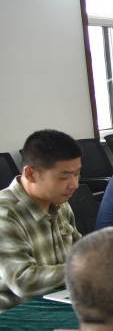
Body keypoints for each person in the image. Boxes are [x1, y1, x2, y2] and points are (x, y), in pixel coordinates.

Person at [0, 130, 82, 310]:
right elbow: (23, 281)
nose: (74, 184)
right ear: (30, 174)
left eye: (77, 174)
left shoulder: (60, 203)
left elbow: (81, 252)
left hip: (58, 300)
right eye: (63, 177)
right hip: (16, 313)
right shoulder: (5, 214)